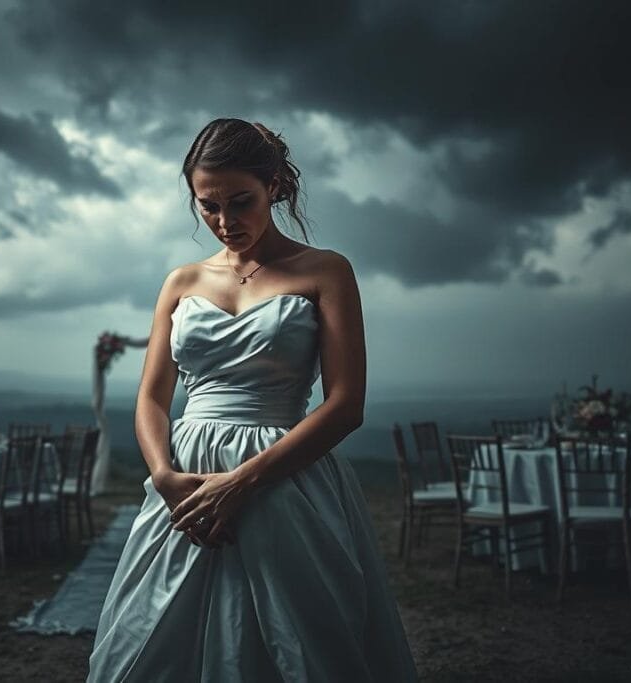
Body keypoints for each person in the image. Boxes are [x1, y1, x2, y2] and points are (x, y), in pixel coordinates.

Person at [87, 118, 418, 681]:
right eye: (208, 206)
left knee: (300, 643)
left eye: (240, 202)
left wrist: (241, 482)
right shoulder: (181, 282)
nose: (224, 222)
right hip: (185, 483)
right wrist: (164, 476)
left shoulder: (326, 271)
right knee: (149, 644)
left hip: (284, 476)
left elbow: (346, 404)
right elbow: (151, 398)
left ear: (275, 187)